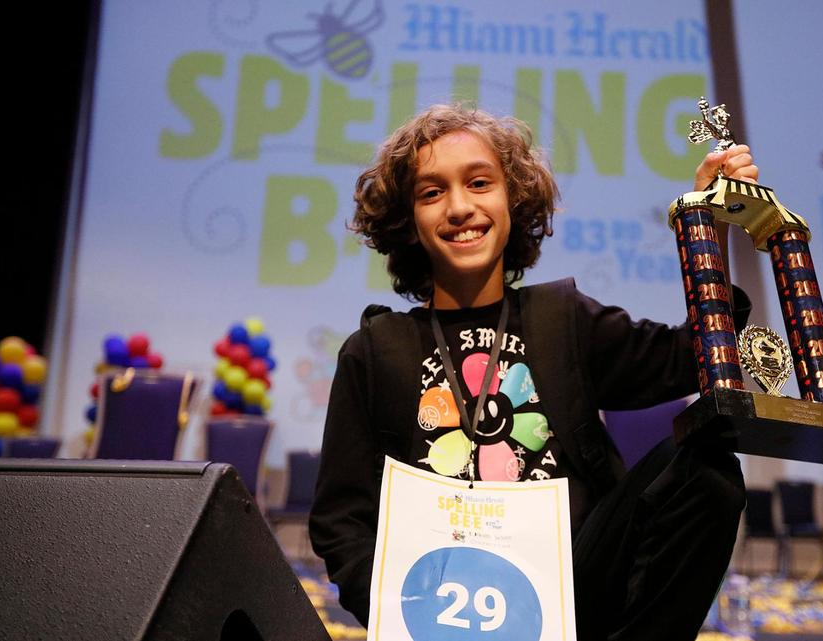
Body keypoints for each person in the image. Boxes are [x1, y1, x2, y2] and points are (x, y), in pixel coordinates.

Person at [309, 104, 759, 641]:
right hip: (437, 609)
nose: (459, 207)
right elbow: (342, 521)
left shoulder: (561, 320)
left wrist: (708, 225)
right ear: (407, 221)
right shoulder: (374, 351)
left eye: (479, 182)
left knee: (706, 471)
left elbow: (694, 357)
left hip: (574, 597)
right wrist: (397, 615)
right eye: (432, 193)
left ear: (513, 198)